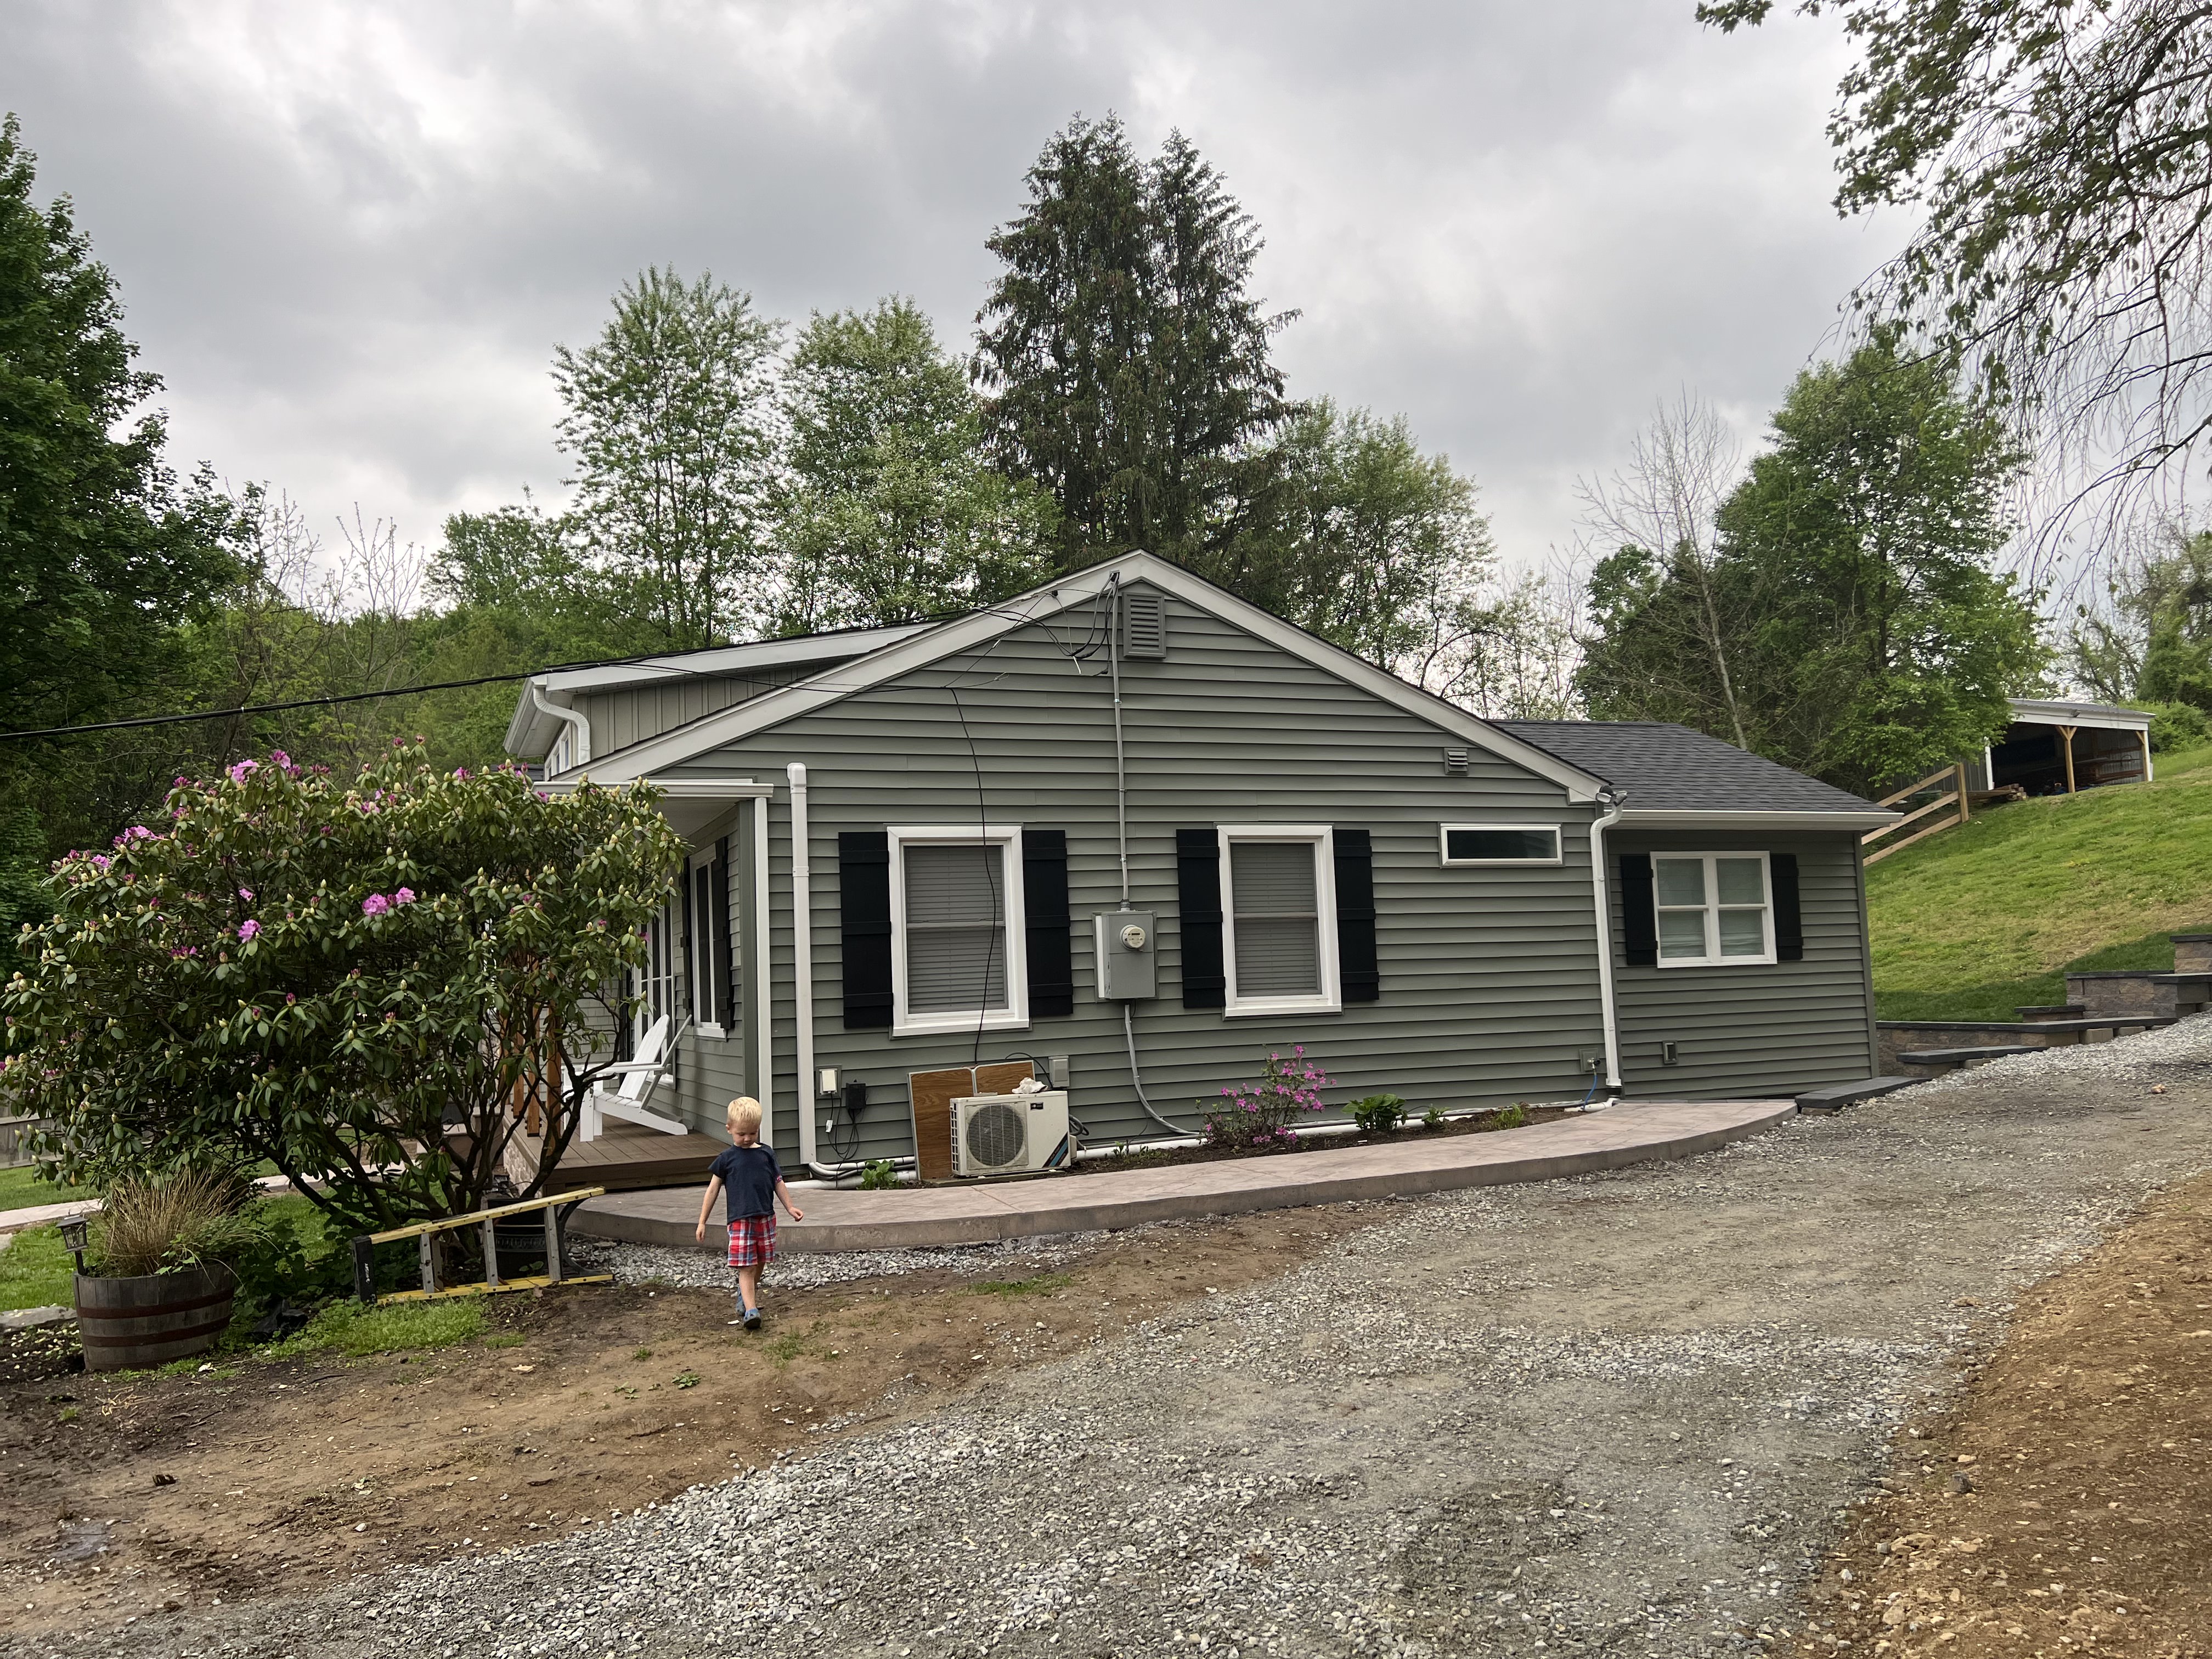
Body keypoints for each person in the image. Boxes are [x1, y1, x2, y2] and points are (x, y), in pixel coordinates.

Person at [694, 1096, 803, 1329]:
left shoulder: (766, 1154)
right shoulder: (726, 1159)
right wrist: (702, 1221)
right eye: (741, 1134)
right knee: (747, 1266)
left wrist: (790, 1206)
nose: (747, 1138)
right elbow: (712, 1190)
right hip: (740, 1221)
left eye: (752, 1133)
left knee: (761, 1261)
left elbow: (778, 1182)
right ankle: (751, 1311)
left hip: (765, 1217)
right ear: (729, 1129)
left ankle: (744, 1296)